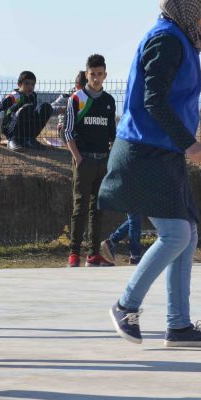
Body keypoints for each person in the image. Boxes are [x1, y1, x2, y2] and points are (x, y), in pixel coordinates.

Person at [103, 0, 201, 348]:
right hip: (144, 153)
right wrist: (188, 142)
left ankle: (179, 325)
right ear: (192, 6)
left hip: (161, 153)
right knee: (175, 234)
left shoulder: (179, 38)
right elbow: (151, 99)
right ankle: (126, 305)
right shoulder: (167, 40)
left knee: (186, 234)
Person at [65, 54, 118, 267]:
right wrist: (78, 158)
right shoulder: (76, 99)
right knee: (80, 207)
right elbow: (68, 132)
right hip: (84, 161)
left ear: (105, 75)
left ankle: (93, 253)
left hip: (103, 161)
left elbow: (112, 134)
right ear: (86, 74)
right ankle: (74, 253)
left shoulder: (109, 101)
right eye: (92, 74)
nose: (96, 78)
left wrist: (112, 158)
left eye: (100, 74)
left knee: (97, 208)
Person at [0, 70, 53, 151]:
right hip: (11, 128)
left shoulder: (33, 96)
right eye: (26, 83)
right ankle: (13, 141)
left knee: (46, 107)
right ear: (19, 84)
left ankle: (30, 139)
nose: (30, 87)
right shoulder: (14, 97)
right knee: (26, 108)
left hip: (25, 127)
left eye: (32, 84)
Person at [52, 71, 89, 146]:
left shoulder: (90, 99)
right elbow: (51, 108)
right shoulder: (66, 97)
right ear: (75, 86)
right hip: (65, 129)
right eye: (78, 90)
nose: (80, 93)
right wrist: (66, 108)